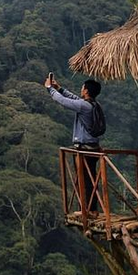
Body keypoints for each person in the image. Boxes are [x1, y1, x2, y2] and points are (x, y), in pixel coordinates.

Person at [45, 74, 103, 216]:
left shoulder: (84, 106)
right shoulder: (94, 105)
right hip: (93, 147)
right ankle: (91, 209)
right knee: (90, 179)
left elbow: (64, 102)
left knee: (85, 180)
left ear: (86, 91)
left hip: (84, 149)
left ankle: (87, 210)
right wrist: (60, 88)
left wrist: (49, 89)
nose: (81, 90)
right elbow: (74, 99)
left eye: (82, 88)